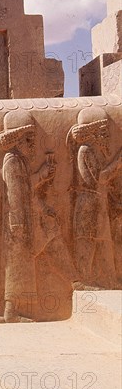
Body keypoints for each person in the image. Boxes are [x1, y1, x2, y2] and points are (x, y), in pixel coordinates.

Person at [0, 110, 55, 322]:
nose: (32, 143)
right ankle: (10, 312)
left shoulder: (20, 160)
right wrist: (18, 222)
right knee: (16, 265)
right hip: (16, 222)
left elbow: (25, 187)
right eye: (29, 139)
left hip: (21, 220)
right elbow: (15, 193)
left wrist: (43, 174)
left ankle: (15, 311)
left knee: (22, 264)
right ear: (17, 138)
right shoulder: (12, 161)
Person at [67, 107, 121, 287]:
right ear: (93, 131)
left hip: (97, 201)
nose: (106, 135)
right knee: (87, 241)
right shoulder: (85, 150)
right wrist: (118, 162)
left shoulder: (95, 149)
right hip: (89, 202)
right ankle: (82, 280)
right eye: (103, 131)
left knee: (102, 241)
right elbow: (100, 179)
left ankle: (110, 281)